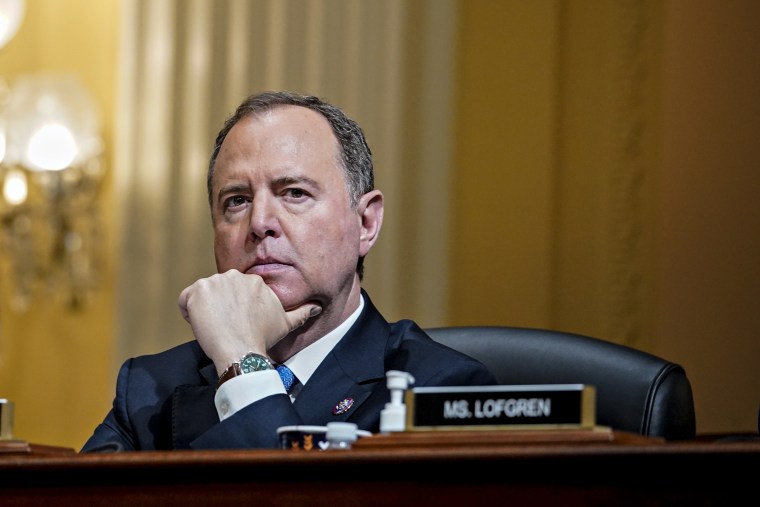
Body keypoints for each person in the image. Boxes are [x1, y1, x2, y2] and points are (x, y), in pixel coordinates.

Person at [81, 90, 498, 451]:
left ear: (366, 223)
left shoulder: (442, 388)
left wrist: (243, 365)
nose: (260, 221)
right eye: (236, 201)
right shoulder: (151, 389)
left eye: (294, 193)